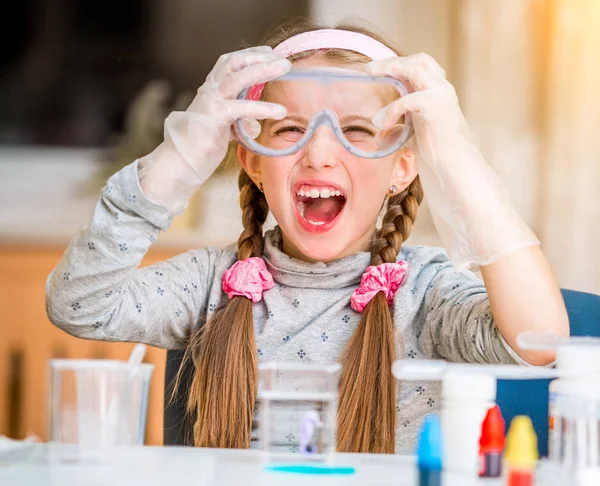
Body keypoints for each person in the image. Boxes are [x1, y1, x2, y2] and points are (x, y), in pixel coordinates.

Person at [45, 20, 569, 454]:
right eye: (291, 129)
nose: (319, 153)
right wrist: (176, 162)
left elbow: (537, 342)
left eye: (358, 131)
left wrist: (459, 162)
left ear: (403, 168)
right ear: (252, 160)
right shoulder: (213, 284)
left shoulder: (425, 293)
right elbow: (79, 303)